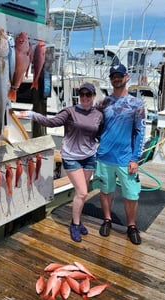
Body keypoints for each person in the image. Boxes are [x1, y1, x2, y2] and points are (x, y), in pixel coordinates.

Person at [17, 83, 103, 242]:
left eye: (88, 94)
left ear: (93, 96)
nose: (84, 97)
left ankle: (75, 220)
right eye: (82, 94)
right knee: (83, 192)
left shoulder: (98, 114)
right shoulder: (70, 111)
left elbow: (100, 134)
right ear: (79, 95)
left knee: (81, 194)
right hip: (71, 157)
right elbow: (52, 122)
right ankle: (75, 225)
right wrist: (32, 114)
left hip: (90, 156)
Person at [95, 64, 146, 245]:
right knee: (105, 191)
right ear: (110, 79)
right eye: (113, 76)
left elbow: (140, 132)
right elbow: (94, 127)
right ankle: (107, 219)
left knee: (131, 194)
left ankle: (131, 226)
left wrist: (135, 158)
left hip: (126, 159)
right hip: (104, 157)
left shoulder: (137, 104)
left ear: (127, 77)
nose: (116, 78)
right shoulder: (103, 103)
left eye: (119, 75)